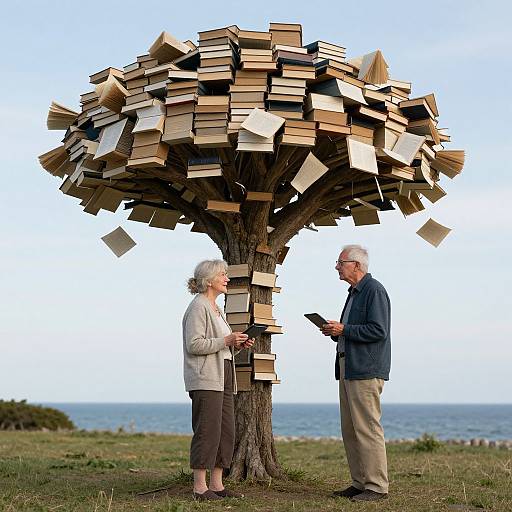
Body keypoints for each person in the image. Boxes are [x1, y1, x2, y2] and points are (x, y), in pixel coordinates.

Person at [320, 245, 391, 502]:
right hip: (348, 368)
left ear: (357, 265)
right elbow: (351, 330)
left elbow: (378, 330)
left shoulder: (374, 291)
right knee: (350, 429)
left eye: (341, 262)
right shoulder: (354, 293)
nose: (337, 267)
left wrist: (344, 329)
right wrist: (336, 331)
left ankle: (376, 486)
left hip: (365, 370)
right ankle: (360, 482)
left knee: (368, 428)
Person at [182, 259, 254, 501]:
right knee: (207, 431)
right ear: (209, 280)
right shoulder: (198, 307)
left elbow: (222, 347)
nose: (227, 279)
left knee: (225, 430)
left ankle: (217, 484)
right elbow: (194, 345)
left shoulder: (216, 309)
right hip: (206, 378)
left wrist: (237, 344)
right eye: (223, 275)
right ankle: (200, 488)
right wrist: (226, 340)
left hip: (223, 373)